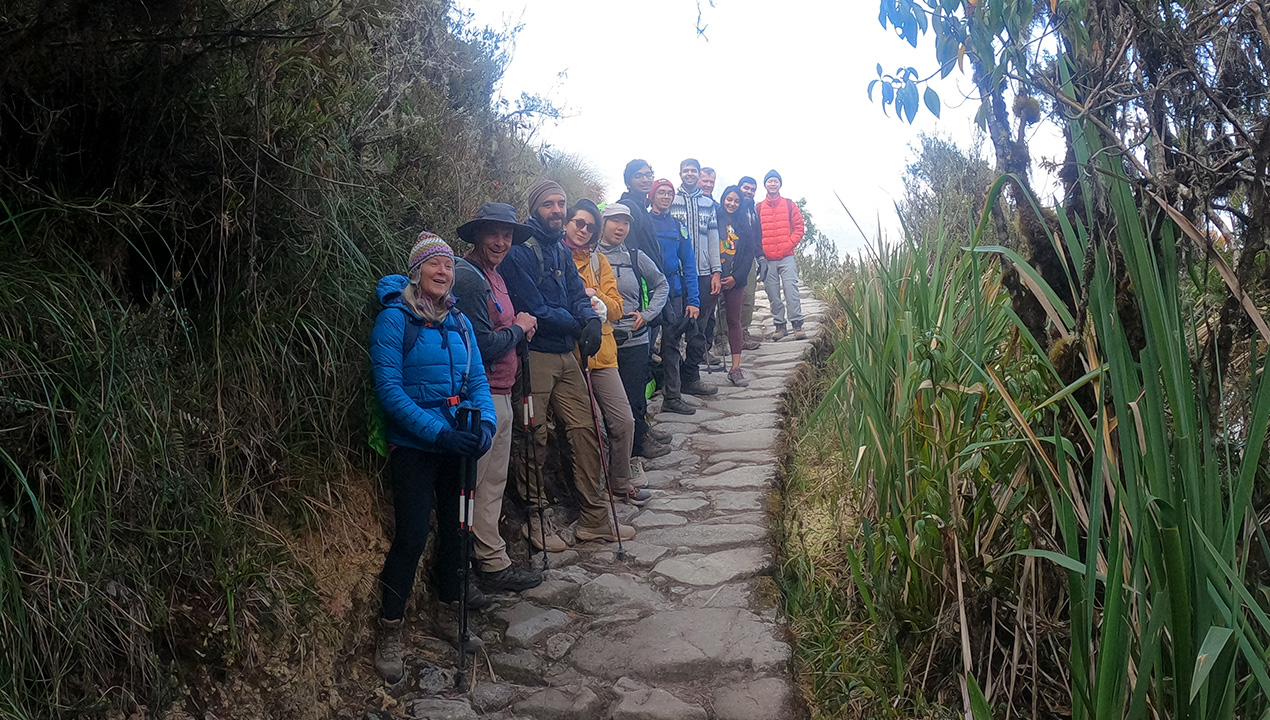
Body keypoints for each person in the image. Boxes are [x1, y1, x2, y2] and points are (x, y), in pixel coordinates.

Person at [369, 232, 498, 684]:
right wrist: (439, 433)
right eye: (433, 266)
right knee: (412, 534)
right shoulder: (394, 319)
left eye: (446, 266)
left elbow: (477, 378)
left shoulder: (458, 321)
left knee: (458, 527)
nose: (443, 273)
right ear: (416, 270)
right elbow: (389, 391)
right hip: (417, 445)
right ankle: (389, 629)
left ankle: (447, 608)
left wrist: (483, 425)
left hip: (457, 440)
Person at [501, 179, 636, 551]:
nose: (558, 211)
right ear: (535, 209)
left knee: (586, 430)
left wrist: (590, 318)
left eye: (561, 204)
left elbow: (576, 293)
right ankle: (536, 518)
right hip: (537, 354)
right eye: (549, 205)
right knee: (534, 435)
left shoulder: (560, 251)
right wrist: (581, 322)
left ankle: (594, 517)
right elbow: (535, 307)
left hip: (566, 353)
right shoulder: (518, 254)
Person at [451, 203, 545, 593]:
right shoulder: (468, 278)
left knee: (492, 483)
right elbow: (481, 345)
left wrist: (520, 327)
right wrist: (519, 329)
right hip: (480, 395)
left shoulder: (495, 275)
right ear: (476, 235)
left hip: (503, 391)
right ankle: (463, 571)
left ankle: (492, 562)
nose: (501, 241)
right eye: (493, 233)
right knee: (472, 486)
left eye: (507, 235)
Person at [562, 200, 653, 506]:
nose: (583, 230)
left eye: (590, 226)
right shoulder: (558, 259)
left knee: (623, 420)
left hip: (603, 353)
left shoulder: (600, 262)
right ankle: (590, 493)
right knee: (588, 428)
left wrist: (596, 296)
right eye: (578, 223)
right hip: (570, 355)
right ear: (566, 223)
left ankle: (620, 481)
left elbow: (616, 309)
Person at [597, 202, 671, 462]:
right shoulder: (590, 256)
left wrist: (648, 314)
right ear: (602, 223)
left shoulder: (634, 255)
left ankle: (637, 450)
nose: (621, 227)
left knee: (635, 399)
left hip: (634, 340)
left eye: (625, 222)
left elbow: (661, 284)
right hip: (601, 343)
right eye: (615, 221)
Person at [649, 178, 701, 416]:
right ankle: (642, 395)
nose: (666, 196)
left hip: (675, 292)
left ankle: (673, 395)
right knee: (644, 346)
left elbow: (689, 263)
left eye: (669, 193)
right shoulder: (643, 223)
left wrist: (694, 301)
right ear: (652, 195)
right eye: (661, 192)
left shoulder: (678, 226)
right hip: (647, 292)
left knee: (671, 345)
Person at [668, 158, 720, 395]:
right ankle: (672, 379)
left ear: (699, 175)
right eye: (686, 170)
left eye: (693, 171)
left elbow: (712, 238)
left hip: (703, 273)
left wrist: (716, 271)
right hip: (677, 274)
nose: (689, 174)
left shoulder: (709, 204)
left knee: (698, 328)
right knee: (675, 325)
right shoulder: (671, 199)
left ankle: (692, 376)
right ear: (680, 173)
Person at [714, 186, 759, 386]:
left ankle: (736, 368)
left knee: (734, 320)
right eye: (728, 199)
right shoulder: (714, 219)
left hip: (735, 279)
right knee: (705, 319)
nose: (732, 204)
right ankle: (694, 366)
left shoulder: (744, 224)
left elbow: (748, 253)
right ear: (723, 199)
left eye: (736, 201)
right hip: (712, 276)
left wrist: (735, 278)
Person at [755, 170, 806, 340]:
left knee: (791, 290)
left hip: (786, 256)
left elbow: (799, 227)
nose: (773, 184)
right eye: (770, 181)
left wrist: (789, 244)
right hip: (768, 259)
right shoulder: (759, 208)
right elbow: (755, 233)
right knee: (773, 293)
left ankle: (797, 324)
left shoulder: (789, 204)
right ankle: (779, 326)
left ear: (780, 184)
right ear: (765, 184)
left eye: (775, 181)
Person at [618, 159, 664, 270]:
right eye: (638, 176)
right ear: (627, 183)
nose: (645, 180)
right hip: (640, 278)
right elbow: (629, 248)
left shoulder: (643, 208)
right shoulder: (627, 208)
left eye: (649, 175)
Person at [737, 176, 763, 350]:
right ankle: (722, 338)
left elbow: (757, 236)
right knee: (729, 300)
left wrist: (760, 257)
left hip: (750, 259)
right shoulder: (731, 206)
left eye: (752, 189)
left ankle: (743, 333)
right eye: (746, 188)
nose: (749, 192)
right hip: (732, 258)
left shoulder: (753, 211)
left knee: (748, 298)